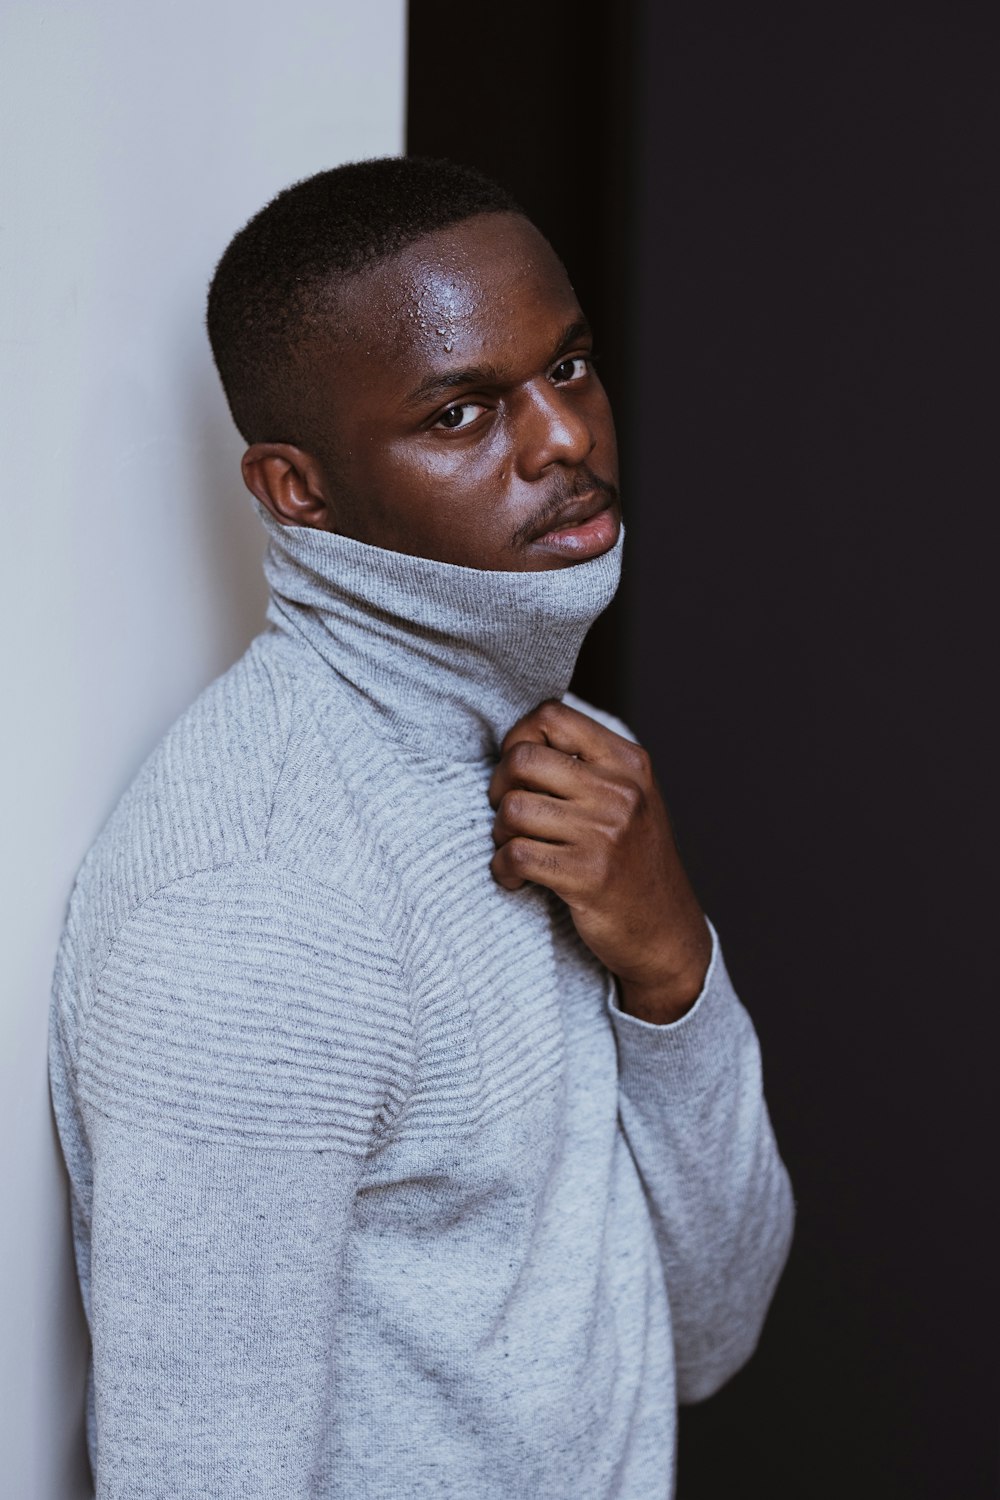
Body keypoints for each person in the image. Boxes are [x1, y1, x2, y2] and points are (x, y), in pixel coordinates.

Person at [50, 155, 793, 1499]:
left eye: (568, 368)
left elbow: (708, 1340)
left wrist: (673, 972)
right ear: (298, 490)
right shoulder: (260, 902)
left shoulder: (590, 772)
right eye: (461, 413)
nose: (561, 439)